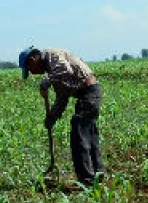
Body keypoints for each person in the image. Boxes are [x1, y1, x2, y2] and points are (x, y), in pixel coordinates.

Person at [18, 46, 105, 186]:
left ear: (33, 60)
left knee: (79, 131)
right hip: (86, 95)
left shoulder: (52, 55)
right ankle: (98, 173)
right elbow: (62, 98)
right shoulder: (53, 72)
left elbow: (65, 69)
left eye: (29, 69)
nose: (32, 73)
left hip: (90, 92)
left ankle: (87, 180)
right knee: (88, 132)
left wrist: (45, 83)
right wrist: (51, 117)